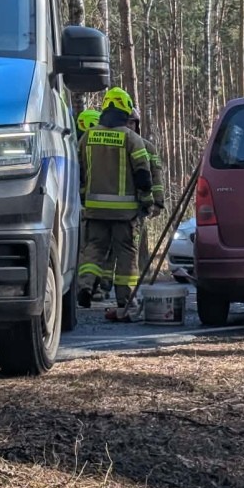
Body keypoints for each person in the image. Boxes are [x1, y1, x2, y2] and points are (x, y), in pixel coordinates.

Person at [76, 87, 154, 322]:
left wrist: (82, 198)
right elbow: (143, 174)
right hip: (124, 213)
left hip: (94, 209)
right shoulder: (131, 138)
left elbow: (78, 171)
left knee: (94, 249)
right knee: (126, 255)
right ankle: (125, 298)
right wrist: (147, 201)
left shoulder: (87, 137)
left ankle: (86, 286)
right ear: (125, 109)